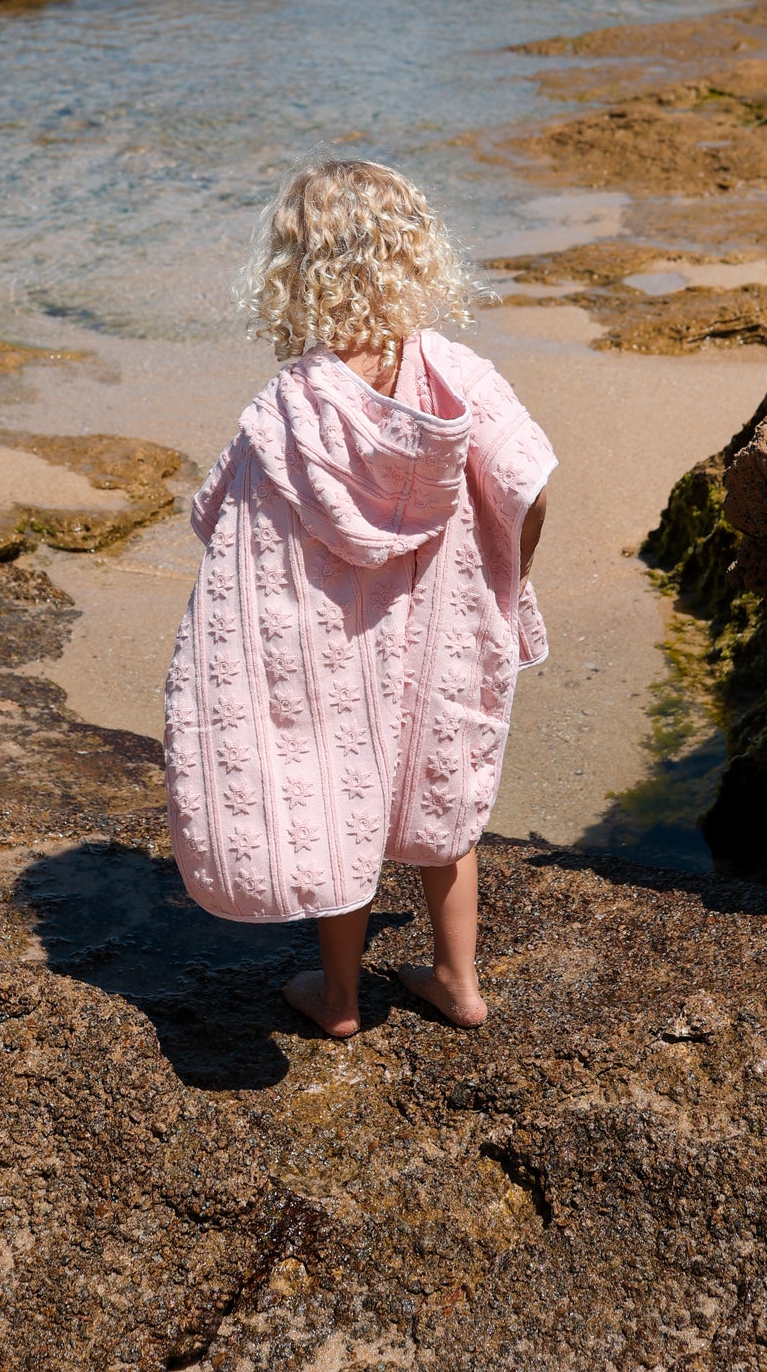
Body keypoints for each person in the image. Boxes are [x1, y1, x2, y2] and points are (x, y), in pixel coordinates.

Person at [163, 157, 554, 1037]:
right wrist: (508, 578)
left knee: (337, 799)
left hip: (329, 645)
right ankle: (458, 983)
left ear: (294, 269)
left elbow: (228, 528)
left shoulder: (290, 407)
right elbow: (528, 484)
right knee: (442, 799)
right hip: (439, 634)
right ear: (418, 252)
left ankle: (339, 999)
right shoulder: (459, 377)